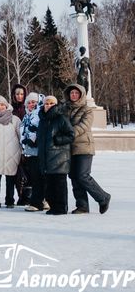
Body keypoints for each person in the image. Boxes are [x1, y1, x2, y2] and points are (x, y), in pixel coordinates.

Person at [64, 84, 111, 214]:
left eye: (76, 93)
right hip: (70, 148)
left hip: (84, 146)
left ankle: (103, 197)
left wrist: (68, 133)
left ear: (81, 95)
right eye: (72, 93)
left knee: (82, 175)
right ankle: (82, 205)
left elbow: (83, 126)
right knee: (73, 176)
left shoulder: (87, 110)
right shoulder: (65, 109)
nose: (73, 95)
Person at [37, 95, 75, 215]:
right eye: (46, 103)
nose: (48, 106)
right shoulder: (42, 120)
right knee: (49, 185)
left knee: (59, 185)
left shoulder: (61, 118)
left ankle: (61, 207)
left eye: (51, 104)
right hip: (46, 157)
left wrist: (58, 140)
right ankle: (53, 206)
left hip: (59, 158)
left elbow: (71, 135)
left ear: (55, 104)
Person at [21, 92, 46, 212]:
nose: (31, 104)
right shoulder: (26, 116)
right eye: (29, 102)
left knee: (38, 178)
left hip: (38, 150)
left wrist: (32, 139)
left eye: (33, 102)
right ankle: (43, 200)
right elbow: (22, 131)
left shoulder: (40, 114)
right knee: (36, 177)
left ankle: (37, 202)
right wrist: (24, 142)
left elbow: (38, 129)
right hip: (29, 151)